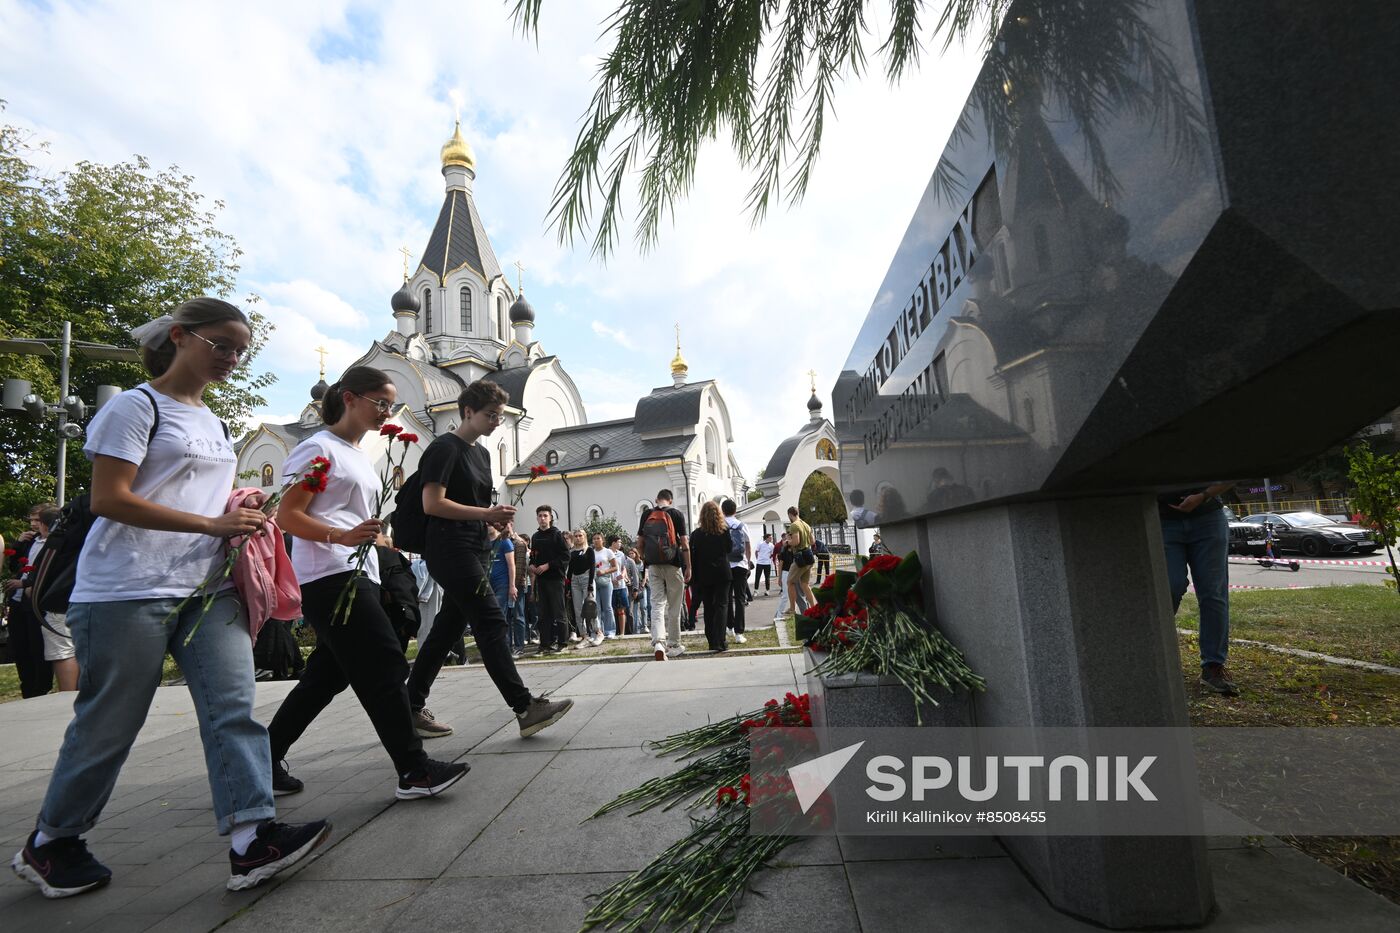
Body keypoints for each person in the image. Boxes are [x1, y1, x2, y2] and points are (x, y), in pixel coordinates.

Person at [13, 298, 329, 900]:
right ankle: (52, 841)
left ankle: (250, 839)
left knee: (234, 707)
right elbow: (110, 499)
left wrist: (239, 507)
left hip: (206, 589)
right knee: (111, 721)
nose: (233, 358)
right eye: (222, 345)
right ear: (181, 337)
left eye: (241, 350)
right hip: (126, 590)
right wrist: (211, 526)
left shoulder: (211, 420)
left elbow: (197, 498)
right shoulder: (136, 406)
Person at [267, 366, 468, 801]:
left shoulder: (357, 452)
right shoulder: (318, 450)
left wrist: (374, 541)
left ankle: (264, 757)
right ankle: (413, 770)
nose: (387, 412)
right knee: (384, 666)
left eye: (391, 404)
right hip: (329, 574)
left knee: (325, 677)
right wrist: (340, 535)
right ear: (350, 398)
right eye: (380, 403)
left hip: (357, 569)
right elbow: (288, 516)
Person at [410, 381, 574, 738]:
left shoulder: (482, 455)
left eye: (501, 415)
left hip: (476, 547)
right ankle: (525, 706)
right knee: (489, 619)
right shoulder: (444, 448)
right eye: (490, 415)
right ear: (467, 411)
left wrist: (493, 522)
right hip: (447, 547)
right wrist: (483, 515)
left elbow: (477, 505)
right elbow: (432, 504)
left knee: (446, 630)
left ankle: (410, 704)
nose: (496, 421)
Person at [1160, 483, 1238, 696]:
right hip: (1161, 520)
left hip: (1208, 518)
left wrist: (1204, 495)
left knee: (1213, 594)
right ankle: (1157, 659)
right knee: (1169, 587)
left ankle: (1213, 668)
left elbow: (1233, 470)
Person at [6, 504, 57, 697]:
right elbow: (13, 566)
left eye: (38, 520)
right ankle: (26, 687)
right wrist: (18, 544)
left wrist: (26, 582)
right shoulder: (30, 541)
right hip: (18, 602)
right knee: (20, 646)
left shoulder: (54, 543)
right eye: (32, 520)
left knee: (38, 648)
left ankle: (40, 689)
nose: (34, 524)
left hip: (37, 602)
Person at [637, 489, 691, 661]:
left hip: (653, 565)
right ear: (671, 500)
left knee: (657, 604)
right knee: (674, 606)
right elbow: (684, 542)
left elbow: (640, 542)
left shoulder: (647, 514)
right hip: (673, 564)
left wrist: (646, 559)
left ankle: (658, 642)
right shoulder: (676, 514)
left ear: (656, 500)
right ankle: (674, 645)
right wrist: (688, 566)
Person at [689, 502, 732, 651]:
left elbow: (693, 557)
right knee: (722, 606)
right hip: (722, 573)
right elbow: (729, 549)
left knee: (708, 608)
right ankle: (721, 640)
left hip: (704, 575)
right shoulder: (724, 531)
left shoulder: (696, 534)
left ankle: (712, 641)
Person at [529, 506, 572, 653]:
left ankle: (563, 643)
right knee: (543, 614)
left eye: (545, 516)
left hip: (555, 579)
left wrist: (548, 565)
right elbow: (533, 555)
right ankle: (545, 644)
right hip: (541, 580)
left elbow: (566, 556)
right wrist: (532, 565)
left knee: (559, 612)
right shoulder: (535, 536)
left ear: (550, 518)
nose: (542, 518)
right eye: (540, 516)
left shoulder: (557, 535)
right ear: (537, 518)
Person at [720, 500, 751, 645]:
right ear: (735, 510)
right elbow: (748, 545)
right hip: (740, 564)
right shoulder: (742, 525)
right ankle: (739, 633)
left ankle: (729, 627)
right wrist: (748, 563)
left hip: (725, 566)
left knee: (726, 598)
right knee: (740, 598)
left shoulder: (720, 526)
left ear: (722, 510)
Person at [786, 507, 817, 613]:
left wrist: (787, 542)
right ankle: (814, 607)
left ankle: (792, 608)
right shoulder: (805, 524)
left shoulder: (794, 525)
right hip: (809, 556)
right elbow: (813, 541)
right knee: (805, 584)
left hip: (800, 558)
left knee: (790, 582)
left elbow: (796, 542)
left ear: (790, 514)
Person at [508, 525, 530, 657]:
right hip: (505, 585)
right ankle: (508, 646)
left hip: (517, 586)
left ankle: (519, 646)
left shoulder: (519, 543)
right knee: (506, 617)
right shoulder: (501, 541)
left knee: (518, 616)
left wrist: (513, 586)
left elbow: (520, 568)